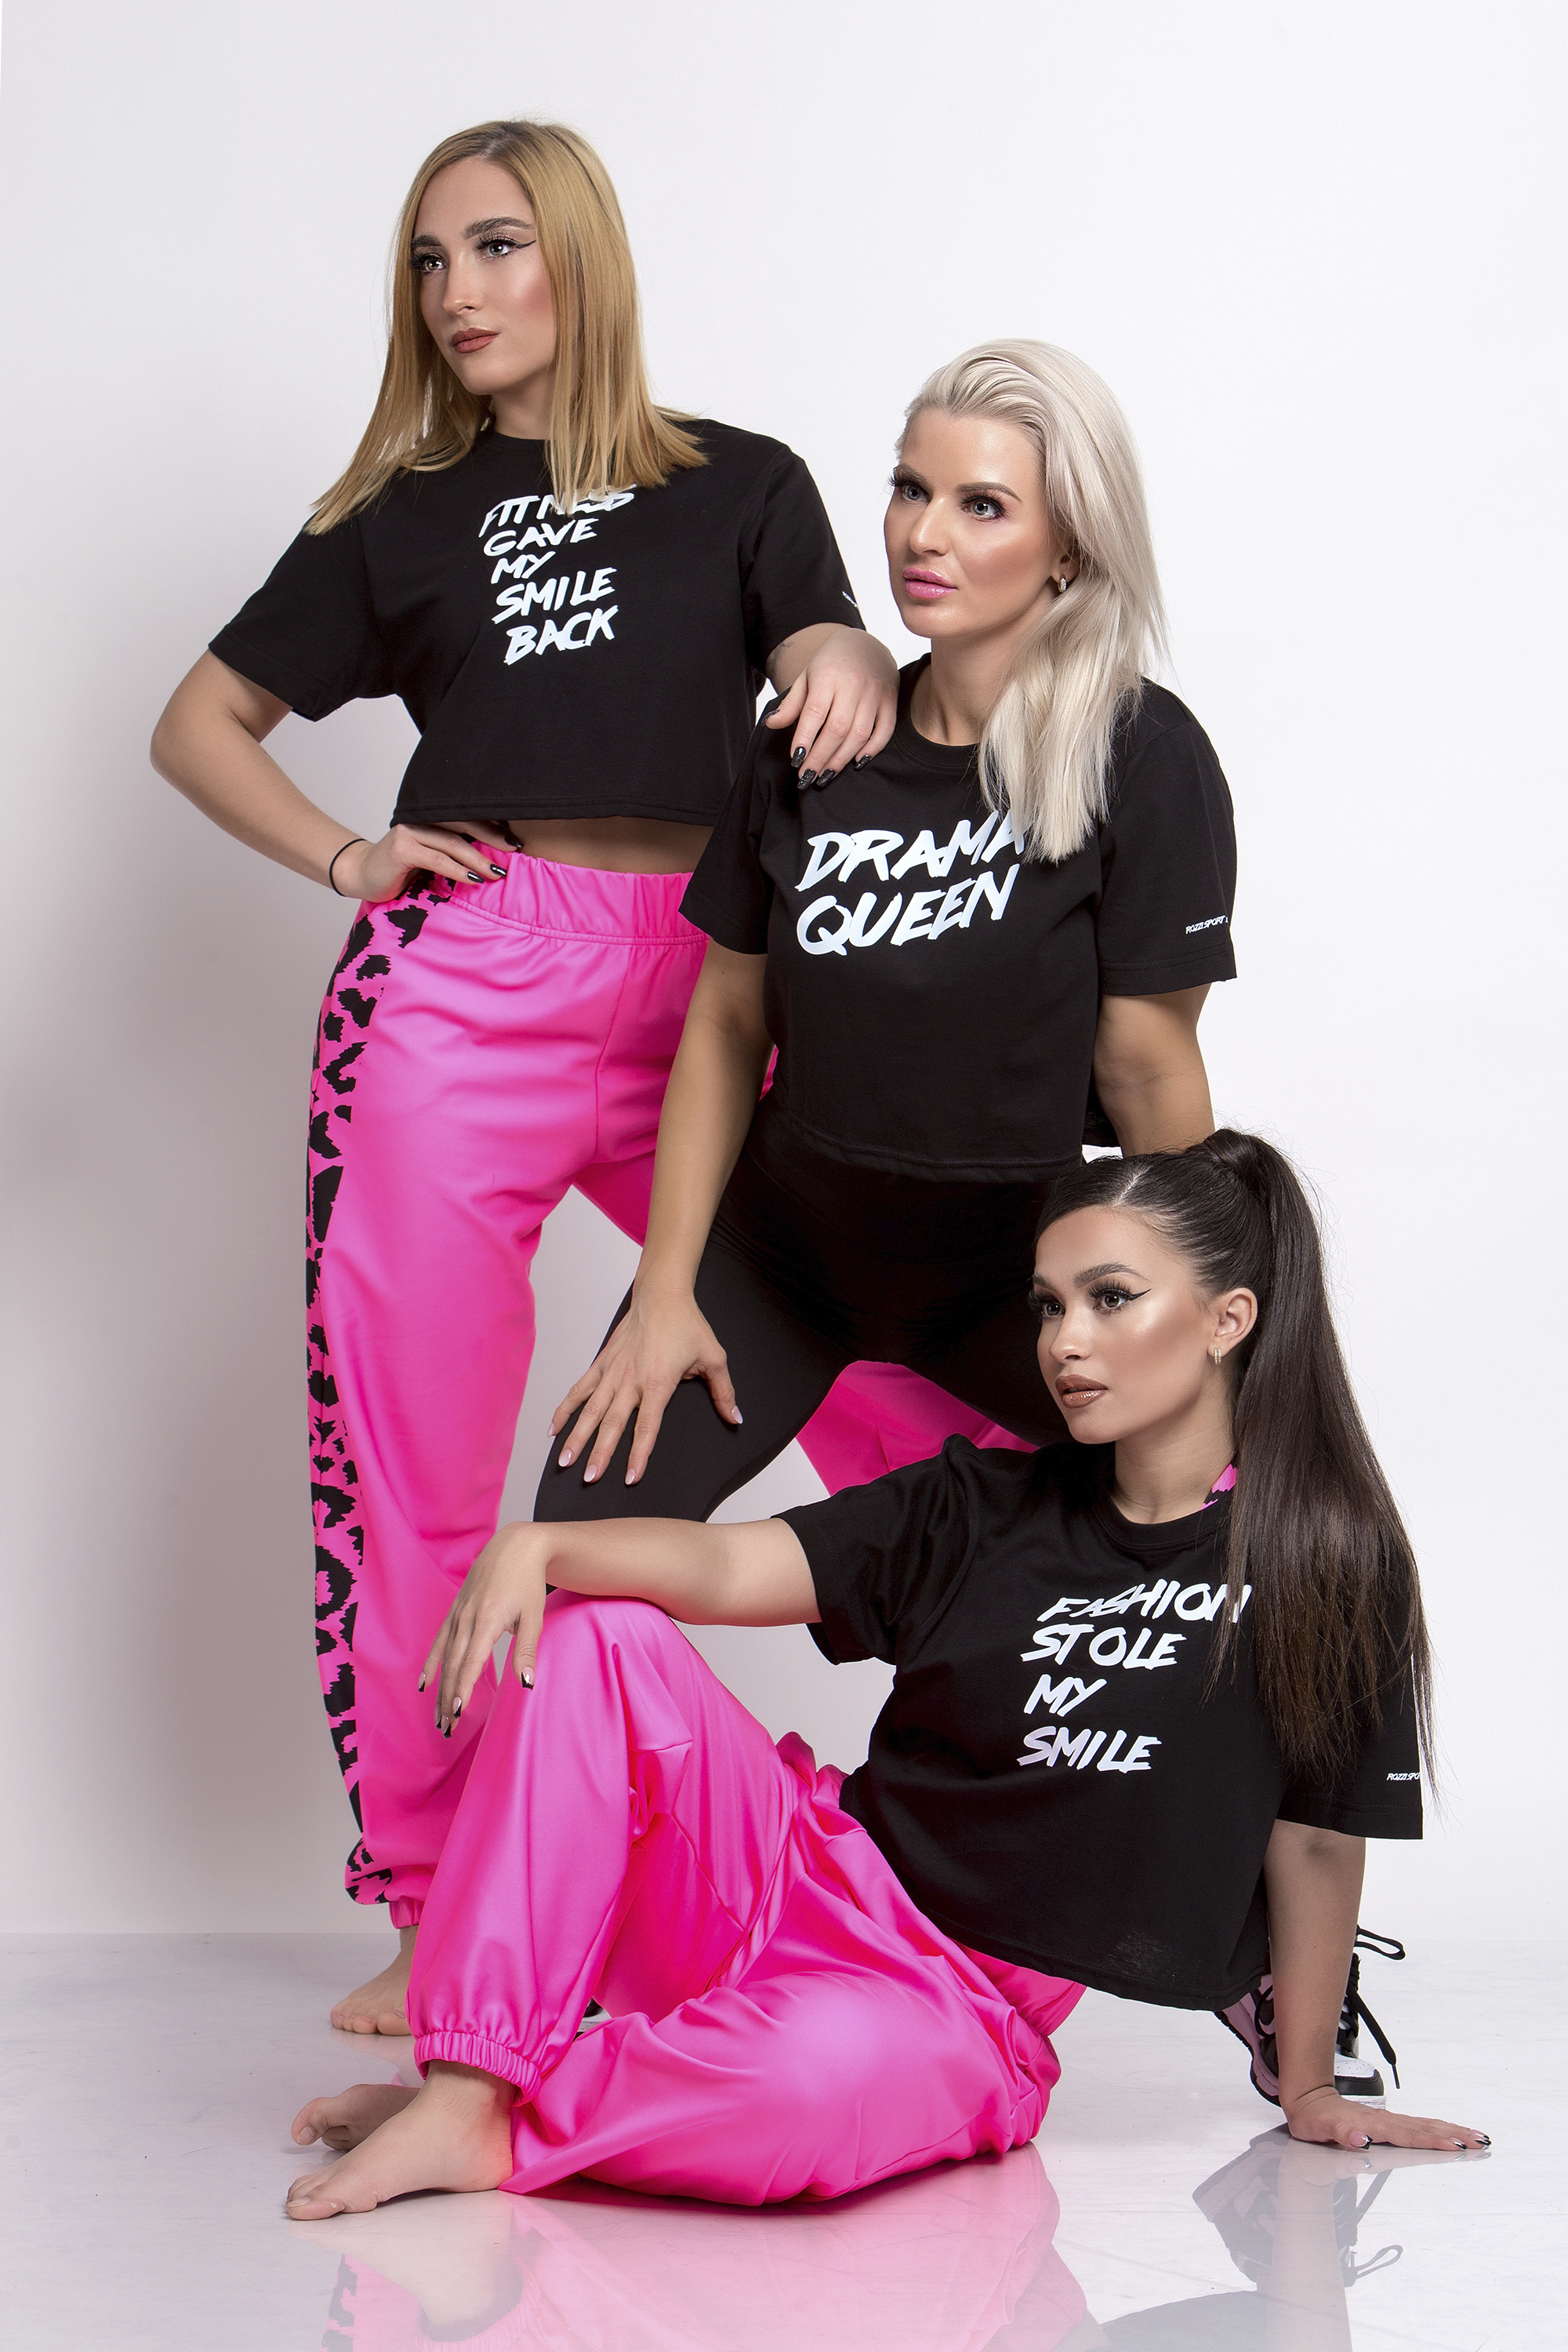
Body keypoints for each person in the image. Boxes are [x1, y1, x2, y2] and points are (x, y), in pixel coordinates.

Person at [149, 118, 902, 2038]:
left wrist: (841, 650)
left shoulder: (741, 482)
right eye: (429, 261)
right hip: (461, 979)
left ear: (579, 254)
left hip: (708, 985)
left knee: (885, 1352)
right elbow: (199, 721)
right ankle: (433, 1901)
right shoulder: (396, 513)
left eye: (495, 246)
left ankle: (1021, 1812)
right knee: (409, 1467)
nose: (458, 293)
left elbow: (824, 635)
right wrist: (347, 855)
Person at [283, 1130, 1486, 2220]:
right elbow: (727, 1565)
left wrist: (1311, 2087)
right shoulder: (980, 1503)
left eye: (1112, 1299)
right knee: (595, 1633)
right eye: (1049, 1304)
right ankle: (470, 2084)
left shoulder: (1328, 1561)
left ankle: (509, 2118)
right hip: (784, 1874)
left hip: (954, 2008)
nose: (1065, 1341)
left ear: (1228, 1319)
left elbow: (1316, 1838)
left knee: (804, 2094)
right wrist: (542, 1546)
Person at [535, 338, 1238, 1527]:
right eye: (911, 488)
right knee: (576, 1551)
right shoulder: (812, 741)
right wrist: (662, 1290)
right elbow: (726, 1026)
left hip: (1021, 1281)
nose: (924, 534)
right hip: (780, 1260)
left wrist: (1201, 1338)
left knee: (1222, 1540)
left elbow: (1147, 1067)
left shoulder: (1143, 756)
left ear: (1069, 546)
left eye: (982, 505)